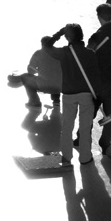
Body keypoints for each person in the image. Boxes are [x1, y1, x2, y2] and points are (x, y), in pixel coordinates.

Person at [43, 24, 101, 165]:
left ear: (68, 37)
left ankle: (67, 157)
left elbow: (47, 46)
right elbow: (95, 77)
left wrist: (59, 33)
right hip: (86, 95)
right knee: (85, 127)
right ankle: (85, 157)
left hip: (69, 95)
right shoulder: (90, 53)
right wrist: (98, 97)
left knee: (67, 126)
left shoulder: (64, 53)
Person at [86, 4, 111, 155]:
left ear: (98, 16)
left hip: (98, 82)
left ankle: (82, 138)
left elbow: (88, 55)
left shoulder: (97, 35)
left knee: (89, 111)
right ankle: (105, 143)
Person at [20, 38, 62, 109]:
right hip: (59, 87)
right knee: (55, 77)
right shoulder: (60, 53)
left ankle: (35, 102)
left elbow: (30, 71)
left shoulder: (38, 53)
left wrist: (37, 70)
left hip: (43, 85)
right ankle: (56, 101)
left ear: (42, 44)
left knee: (24, 77)